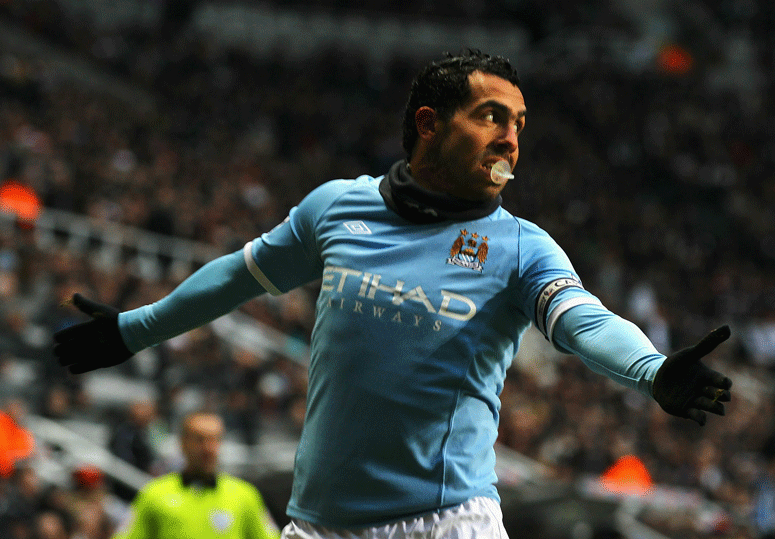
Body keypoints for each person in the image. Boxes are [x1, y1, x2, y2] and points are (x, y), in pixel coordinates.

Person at [54, 50, 733, 539]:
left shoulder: (522, 246)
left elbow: (582, 319)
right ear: (430, 123)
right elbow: (236, 275)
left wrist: (651, 370)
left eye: (520, 124)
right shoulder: (336, 209)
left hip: (445, 523)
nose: (511, 140)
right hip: (318, 525)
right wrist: (132, 330)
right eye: (492, 117)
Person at [110, 412, 281, 539]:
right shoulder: (154, 493)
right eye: (199, 439)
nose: (208, 448)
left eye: (214, 440)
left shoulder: (245, 495)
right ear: (183, 443)